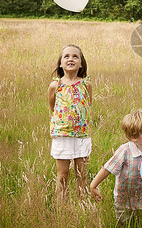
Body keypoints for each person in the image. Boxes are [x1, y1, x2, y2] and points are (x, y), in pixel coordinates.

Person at [48, 44, 93, 203]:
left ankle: (82, 204)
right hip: (61, 135)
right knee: (63, 174)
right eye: (66, 56)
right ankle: (61, 207)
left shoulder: (86, 84)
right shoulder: (56, 85)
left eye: (75, 56)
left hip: (81, 135)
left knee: (82, 173)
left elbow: (88, 105)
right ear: (60, 63)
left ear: (81, 63)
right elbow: (53, 107)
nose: (71, 59)